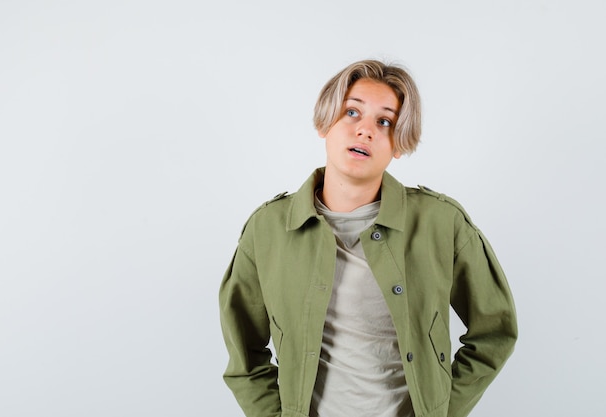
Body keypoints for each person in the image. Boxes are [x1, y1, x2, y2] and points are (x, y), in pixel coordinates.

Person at [219, 59, 518, 417]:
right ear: (325, 123)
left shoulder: (443, 223)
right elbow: (244, 353)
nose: (365, 131)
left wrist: (442, 410)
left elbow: (494, 331)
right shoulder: (267, 229)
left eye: (385, 122)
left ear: (398, 144)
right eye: (351, 113)